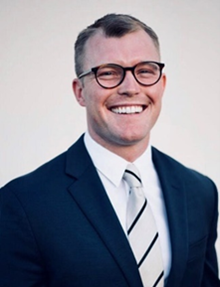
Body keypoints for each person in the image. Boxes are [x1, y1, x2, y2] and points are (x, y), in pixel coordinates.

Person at [0, 13, 219, 287]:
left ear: (162, 85)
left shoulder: (200, 192)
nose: (130, 87)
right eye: (108, 73)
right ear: (80, 92)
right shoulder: (23, 204)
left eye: (145, 71)